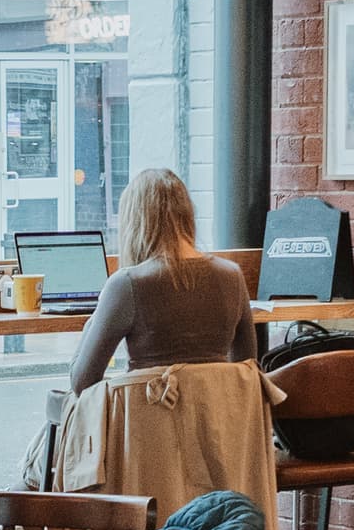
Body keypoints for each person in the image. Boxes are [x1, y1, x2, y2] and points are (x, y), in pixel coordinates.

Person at [63, 167, 253, 394]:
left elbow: (82, 383)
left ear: (135, 223)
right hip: (215, 426)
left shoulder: (127, 284)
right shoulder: (232, 276)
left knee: (64, 406)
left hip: (147, 426)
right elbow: (247, 372)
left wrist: (95, 319)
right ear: (187, 215)